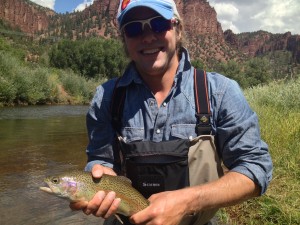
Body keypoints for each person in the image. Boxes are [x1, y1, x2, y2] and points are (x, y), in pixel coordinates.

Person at [70, 0, 273, 224]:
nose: (147, 37)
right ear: (124, 39)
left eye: (158, 24)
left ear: (178, 29)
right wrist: (100, 175)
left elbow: (256, 168)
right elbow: (101, 159)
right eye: (134, 28)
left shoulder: (221, 92)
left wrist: (188, 201)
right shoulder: (106, 98)